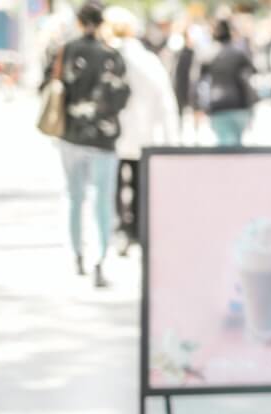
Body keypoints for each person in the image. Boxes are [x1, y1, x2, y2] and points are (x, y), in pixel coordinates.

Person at [42, 1, 130, 287]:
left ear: (79, 22)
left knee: (75, 197)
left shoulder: (65, 51)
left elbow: (49, 86)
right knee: (102, 200)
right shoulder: (112, 56)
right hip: (103, 138)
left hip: (71, 134)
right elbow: (122, 97)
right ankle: (99, 259)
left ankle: (77, 253)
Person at [104, 7, 179, 255]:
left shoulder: (108, 56)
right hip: (143, 133)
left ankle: (120, 229)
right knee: (138, 182)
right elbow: (165, 99)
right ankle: (136, 228)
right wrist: (171, 138)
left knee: (113, 184)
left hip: (112, 133)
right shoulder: (147, 59)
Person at [200, 19, 255, 147]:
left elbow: (200, 82)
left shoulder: (209, 54)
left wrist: (198, 105)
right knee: (235, 145)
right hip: (238, 105)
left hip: (219, 105)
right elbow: (250, 75)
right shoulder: (239, 53)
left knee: (225, 146)